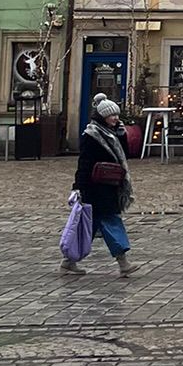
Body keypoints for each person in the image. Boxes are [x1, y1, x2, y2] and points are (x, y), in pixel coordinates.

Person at [67, 99, 140, 277]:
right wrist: (78, 187)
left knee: (88, 227)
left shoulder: (113, 134)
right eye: (112, 115)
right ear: (103, 116)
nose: (116, 118)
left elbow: (124, 156)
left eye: (116, 114)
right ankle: (123, 263)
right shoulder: (91, 135)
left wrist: (122, 136)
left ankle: (68, 262)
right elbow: (84, 163)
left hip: (110, 185)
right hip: (95, 188)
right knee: (111, 221)